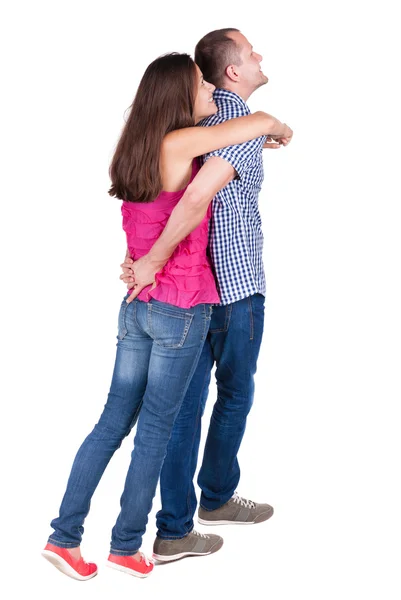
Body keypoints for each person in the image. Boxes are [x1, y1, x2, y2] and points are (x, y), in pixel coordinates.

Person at [42, 52, 292, 581]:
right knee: (156, 428)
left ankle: (63, 538)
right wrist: (272, 128)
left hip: (137, 304)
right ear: (180, 97)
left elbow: (154, 206)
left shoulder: (132, 147)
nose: (209, 91)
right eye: (202, 86)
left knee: (111, 422)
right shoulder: (180, 145)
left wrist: (140, 262)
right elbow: (259, 125)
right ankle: (127, 546)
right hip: (181, 305)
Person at [120, 29, 293, 562]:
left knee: (181, 409)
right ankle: (208, 503)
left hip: (181, 291)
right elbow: (195, 196)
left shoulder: (195, 122)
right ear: (232, 73)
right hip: (229, 288)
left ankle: (175, 526)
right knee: (233, 394)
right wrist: (147, 261)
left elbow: (155, 191)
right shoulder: (234, 124)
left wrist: (146, 257)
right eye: (251, 51)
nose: (261, 54)